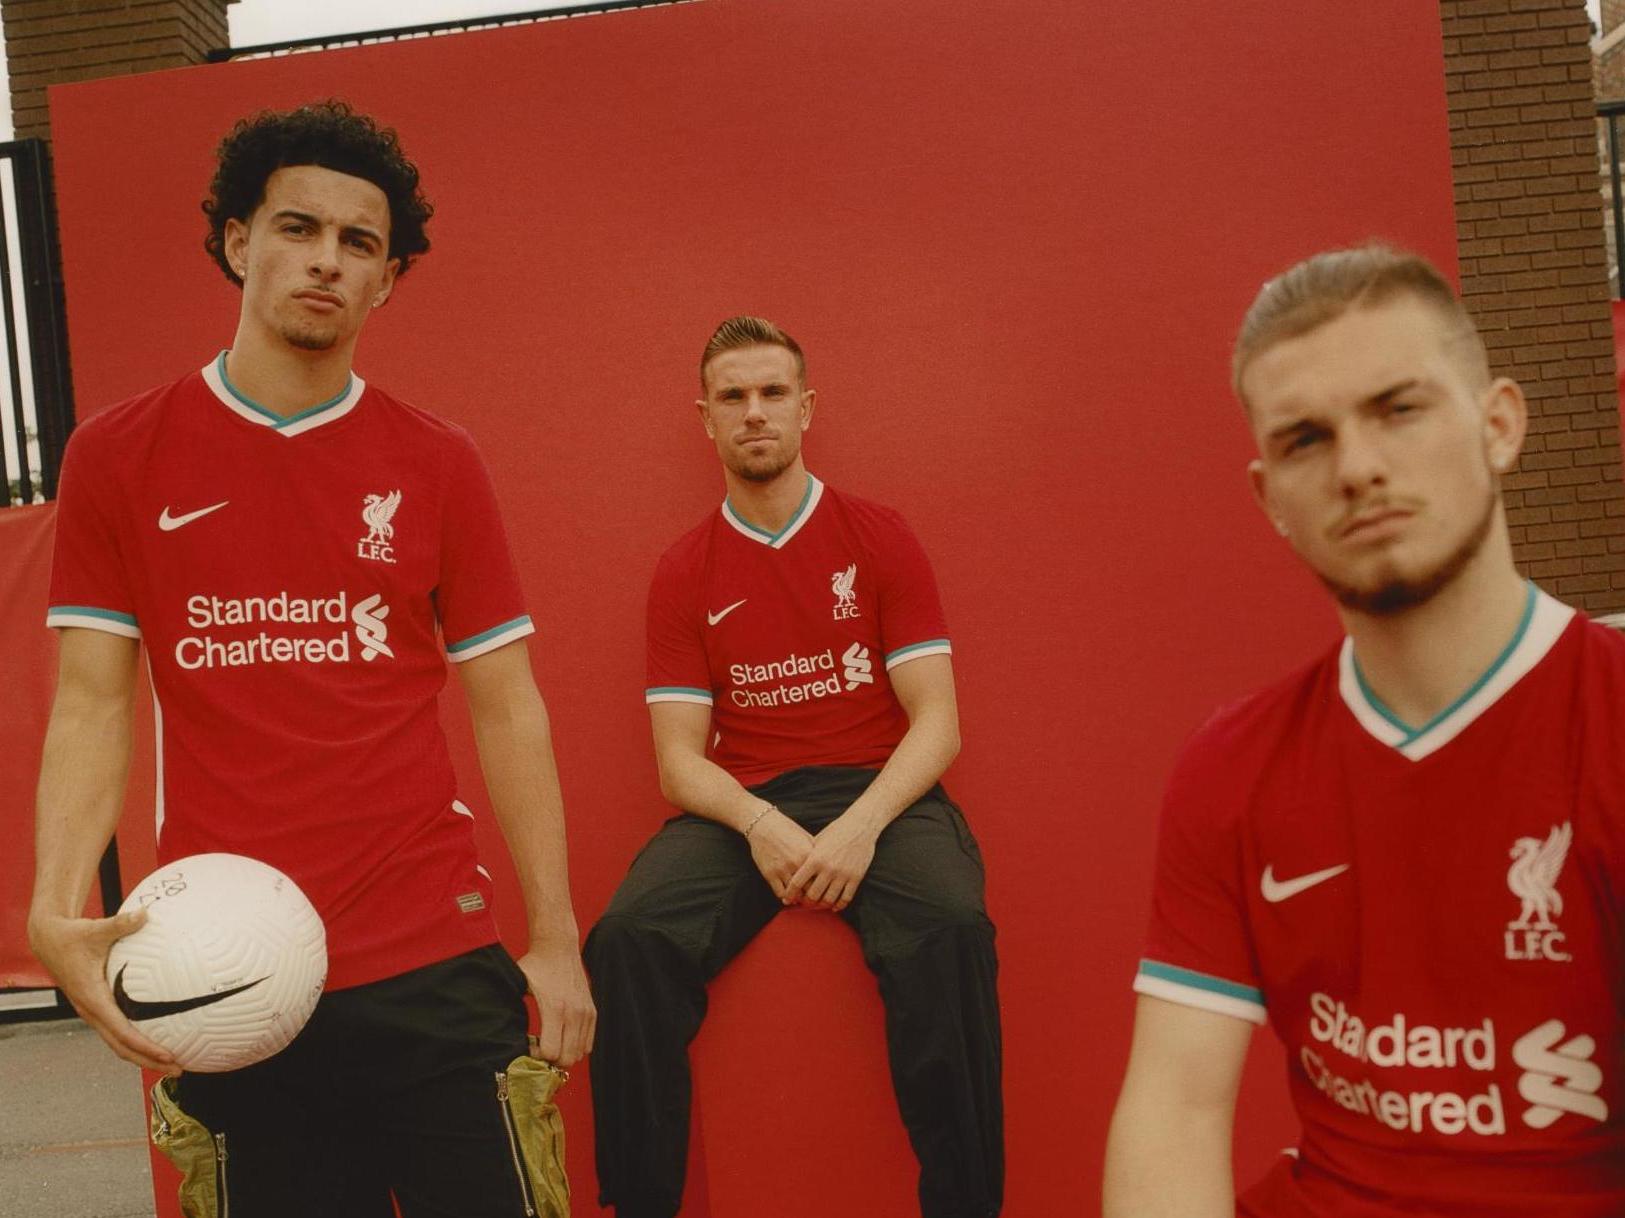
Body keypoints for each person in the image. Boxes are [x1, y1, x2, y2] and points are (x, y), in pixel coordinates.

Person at [27, 100, 593, 1216]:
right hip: (227, 974)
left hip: (433, 956)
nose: (326, 260)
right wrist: (52, 907)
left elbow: (508, 708)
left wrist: (558, 941)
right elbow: (91, 704)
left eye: (359, 242)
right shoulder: (119, 455)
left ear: (387, 279)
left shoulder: (436, 462)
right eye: (297, 227)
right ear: (238, 242)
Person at [1102, 244, 1625, 1217]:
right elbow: (1171, 1110)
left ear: (1497, 425)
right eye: (1304, 439)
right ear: (1269, 501)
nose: (1356, 467)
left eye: (1398, 408)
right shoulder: (1232, 768)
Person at [582, 317, 1003, 1218]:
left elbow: (937, 724)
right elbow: (677, 764)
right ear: (705, 420)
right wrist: (763, 825)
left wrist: (859, 829)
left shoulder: (877, 536)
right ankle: (637, 1204)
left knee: (953, 930)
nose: (754, 412)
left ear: (807, 409)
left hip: (878, 791)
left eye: (773, 393)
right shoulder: (685, 570)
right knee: (627, 940)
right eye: (732, 397)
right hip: (747, 801)